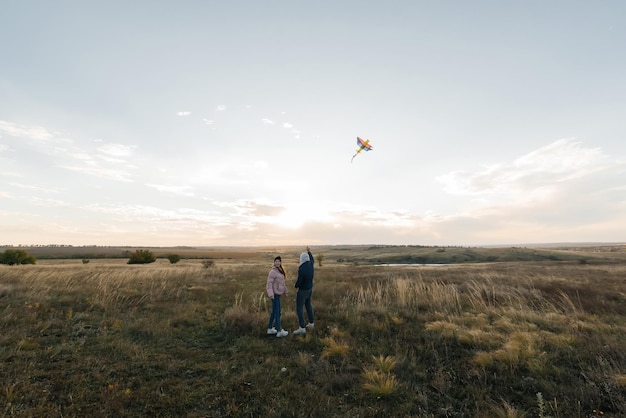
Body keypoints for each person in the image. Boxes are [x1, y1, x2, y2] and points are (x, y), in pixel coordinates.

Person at [293, 247, 315, 335]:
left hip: (302, 291)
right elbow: (312, 259)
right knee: (308, 305)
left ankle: (302, 328)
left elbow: (299, 281)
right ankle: (311, 323)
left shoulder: (301, 269)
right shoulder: (311, 264)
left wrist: (295, 285)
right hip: (310, 289)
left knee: (299, 309)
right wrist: (309, 252)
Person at [266, 256, 289, 338]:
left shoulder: (280, 271)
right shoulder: (272, 272)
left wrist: (285, 291)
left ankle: (270, 329)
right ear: (274, 262)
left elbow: (282, 283)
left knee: (274, 312)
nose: (277, 263)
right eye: (276, 261)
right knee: (278, 312)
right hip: (274, 295)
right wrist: (271, 294)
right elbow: (269, 284)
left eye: (278, 261)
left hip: (278, 294)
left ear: (280, 262)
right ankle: (279, 331)